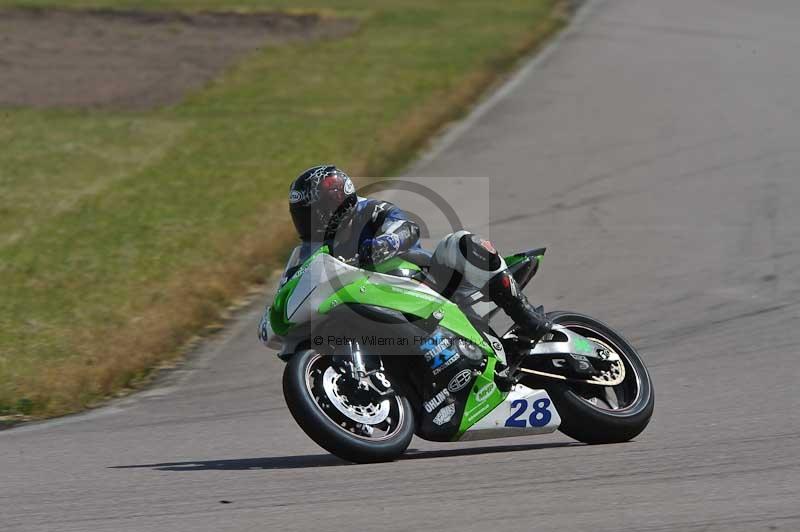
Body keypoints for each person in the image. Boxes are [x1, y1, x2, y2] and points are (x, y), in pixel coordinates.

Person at [271, 164, 552, 342]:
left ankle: (527, 318)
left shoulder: (370, 212)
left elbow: (408, 228)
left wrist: (381, 245)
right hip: (374, 305)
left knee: (461, 242)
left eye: (312, 213)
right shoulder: (310, 251)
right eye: (301, 215)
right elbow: (293, 282)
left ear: (335, 205)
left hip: (430, 284)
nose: (308, 222)